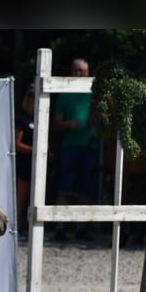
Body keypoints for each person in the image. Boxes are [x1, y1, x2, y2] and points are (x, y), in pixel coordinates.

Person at [52, 58, 101, 242]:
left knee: (85, 189)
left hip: (90, 146)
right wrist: (68, 124)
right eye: (75, 70)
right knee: (64, 187)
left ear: (87, 72)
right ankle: (60, 226)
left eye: (81, 70)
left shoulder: (94, 94)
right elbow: (56, 124)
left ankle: (81, 227)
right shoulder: (65, 94)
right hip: (69, 147)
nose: (78, 73)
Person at [14, 84, 35, 242]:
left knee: (32, 199)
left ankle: (28, 228)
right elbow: (16, 143)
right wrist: (34, 150)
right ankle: (17, 228)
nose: (34, 104)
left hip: (35, 164)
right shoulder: (22, 119)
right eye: (32, 100)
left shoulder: (39, 118)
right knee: (21, 198)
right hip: (24, 162)